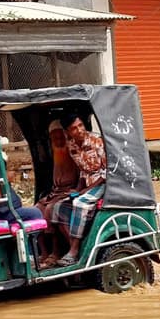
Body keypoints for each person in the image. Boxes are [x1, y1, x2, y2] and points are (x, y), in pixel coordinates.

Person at [51, 113, 107, 267]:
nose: (79, 130)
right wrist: (77, 188)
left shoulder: (97, 142)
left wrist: (85, 190)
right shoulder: (72, 146)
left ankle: (74, 251)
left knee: (80, 204)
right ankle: (76, 247)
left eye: (81, 125)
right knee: (58, 207)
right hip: (88, 184)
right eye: (74, 129)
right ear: (68, 132)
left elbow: (106, 173)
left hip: (103, 183)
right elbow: (82, 171)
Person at [35, 119, 80, 268]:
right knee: (36, 210)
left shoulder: (72, 150)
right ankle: (44, 252)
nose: (58, 140)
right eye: (55, 138)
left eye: (61, 136)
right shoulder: (54, 152)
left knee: (51, 209)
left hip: (69, 191)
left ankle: (56, 252)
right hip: (55, 192)